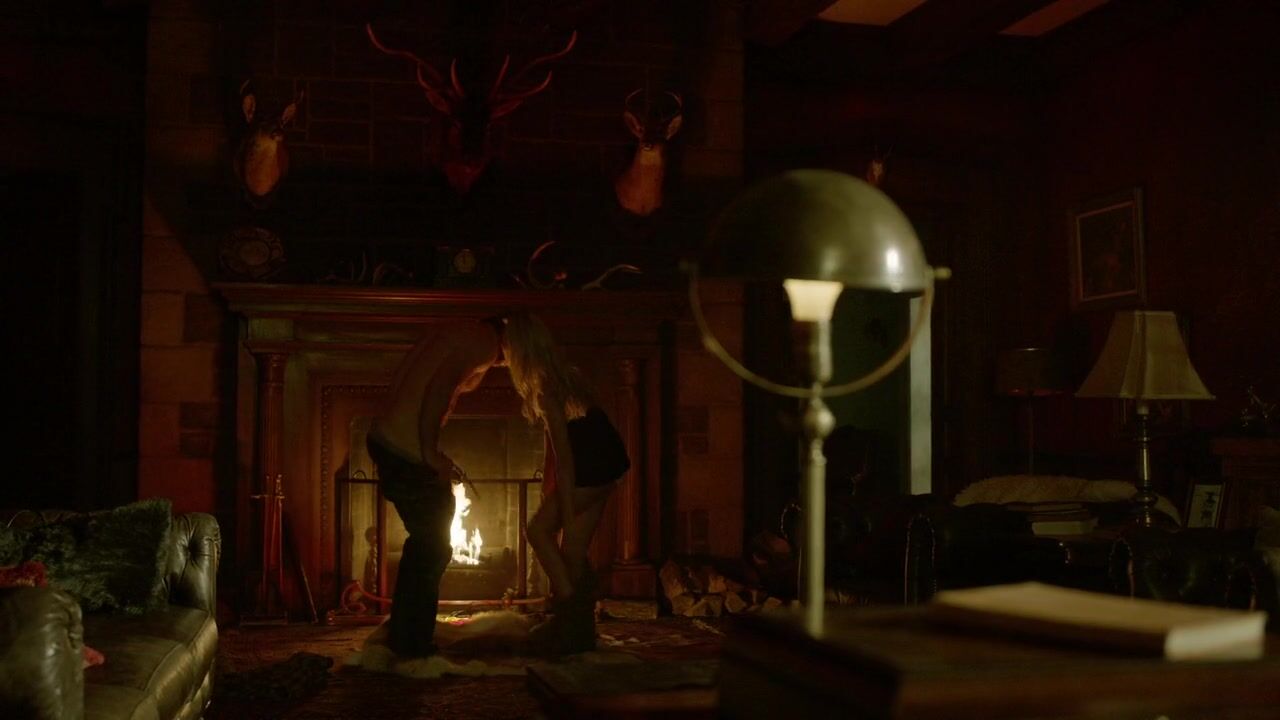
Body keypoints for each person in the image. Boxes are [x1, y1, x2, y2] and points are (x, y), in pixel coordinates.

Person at [366, 316, 506, 657]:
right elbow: (439, 391)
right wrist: (430, 454)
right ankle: (412, 644)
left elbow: (441, 382)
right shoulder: (485, 343)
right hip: (407, 452)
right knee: (432, 547)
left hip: (387, 441)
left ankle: (405, 636)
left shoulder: (460, 331)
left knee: (425, 545)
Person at [502, 312, 630, 654]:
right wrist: (554, 491)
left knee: (536, 531)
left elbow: (565, 456)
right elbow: (568, 443)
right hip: (609, 464)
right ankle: (579, 633)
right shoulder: (568, 377)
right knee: (572, 552)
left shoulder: (546, 389)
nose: (504, 355)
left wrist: (568, 510)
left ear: (520, 351)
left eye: (507, 348)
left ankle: (568, 611)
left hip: (588, 469)